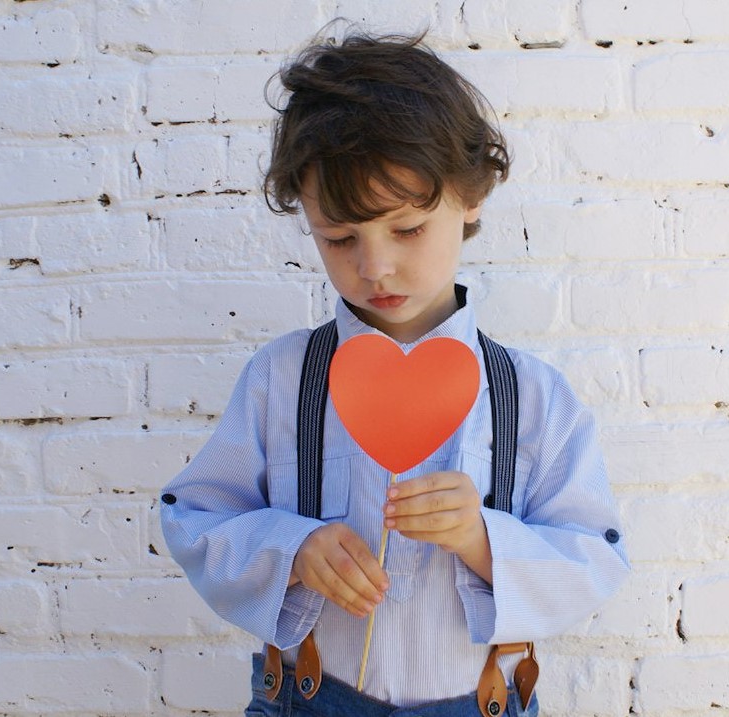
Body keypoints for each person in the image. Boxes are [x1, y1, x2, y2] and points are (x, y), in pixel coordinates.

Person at [159, 30, 629, 717]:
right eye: (340, 238)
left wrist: (480, 539)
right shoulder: (282, 379)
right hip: (313, 698)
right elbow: (195, 517)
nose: (373, 266)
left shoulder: (531, 396)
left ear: (470, 197)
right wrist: (291, 548)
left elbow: (596, 556)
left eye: (405, 229)